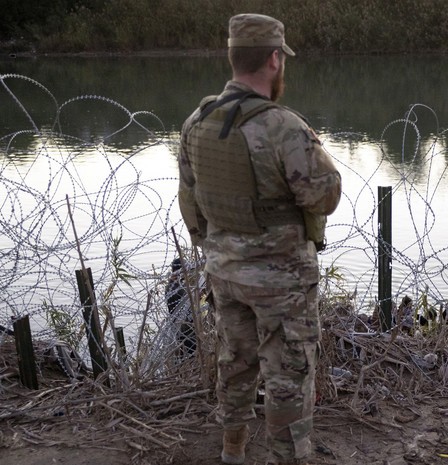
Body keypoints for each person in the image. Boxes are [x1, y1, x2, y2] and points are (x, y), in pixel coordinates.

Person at [178, 13, 342, 465]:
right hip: (280, 280)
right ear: (274, 59)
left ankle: (233, 449)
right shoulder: (283, 126)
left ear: (232, 57)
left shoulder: (197, 121)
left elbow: (188, 199)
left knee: (234, 363)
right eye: (280, 58)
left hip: (224, 270)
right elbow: (324, 196)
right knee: (289, 375)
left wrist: (217, 249)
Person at [165, 257, 196, 358]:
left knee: (185, 356)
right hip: (184, 328)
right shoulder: (175, 288)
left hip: (181, 327)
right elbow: (184, 306)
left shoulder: (174, 285)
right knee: (189, 355)